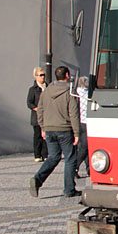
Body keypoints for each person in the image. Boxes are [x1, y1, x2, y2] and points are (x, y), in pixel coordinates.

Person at [30, 66, 81, 198]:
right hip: (64, 129)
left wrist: (43, 127)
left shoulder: (46, 91)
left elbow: (40, 110)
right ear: (67, 75)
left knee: (53, 157)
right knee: (70, 159)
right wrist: (77, 133)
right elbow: (74, 113)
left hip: (49, 129)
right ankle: (69, 190)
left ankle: (37, 179)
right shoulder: (69, 91)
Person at [26, 67, 48, 162]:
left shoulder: (48, 87)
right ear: (36, 77)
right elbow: (29, 103)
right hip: (37, 116)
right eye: (41, 75)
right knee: (38, 135)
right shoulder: (33, 89)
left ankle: (45, 154)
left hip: (47, 116)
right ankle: (37, 155)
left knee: (47, 136)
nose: (43, 77)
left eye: (44, 75)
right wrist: (37, 108)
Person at [75, 76, 89, 178]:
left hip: (80, 122)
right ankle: (75, 167)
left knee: (86, 147)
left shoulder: (76, 93)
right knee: (84, 147)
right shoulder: (86, 93)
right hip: (85, 122)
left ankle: (89, 169)